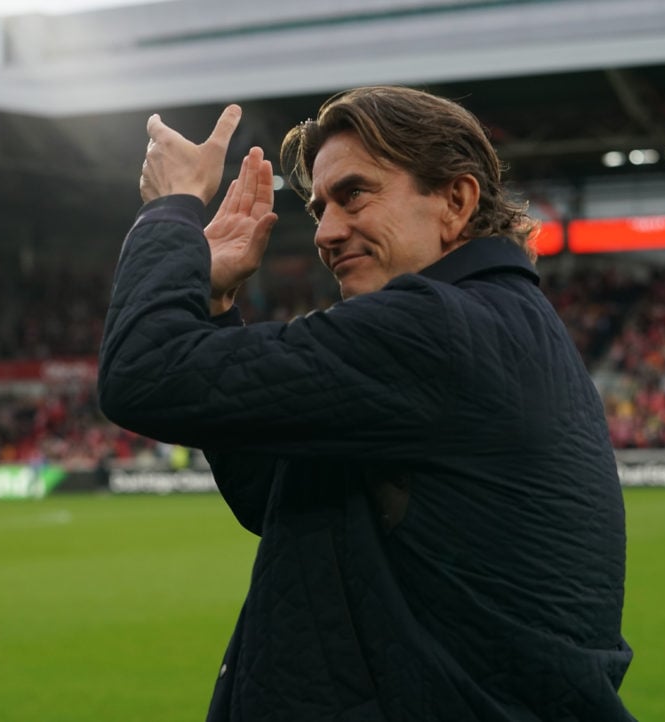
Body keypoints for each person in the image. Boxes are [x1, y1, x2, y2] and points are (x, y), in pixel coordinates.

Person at [98, 86, 635, 721]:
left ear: (455, 202)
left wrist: (172, 211)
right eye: (319, 206)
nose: (325, 232)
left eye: (353, 195)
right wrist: (216, 305)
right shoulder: (498, 323)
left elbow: (143, 372)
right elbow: (276, 494)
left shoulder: (436, 328)